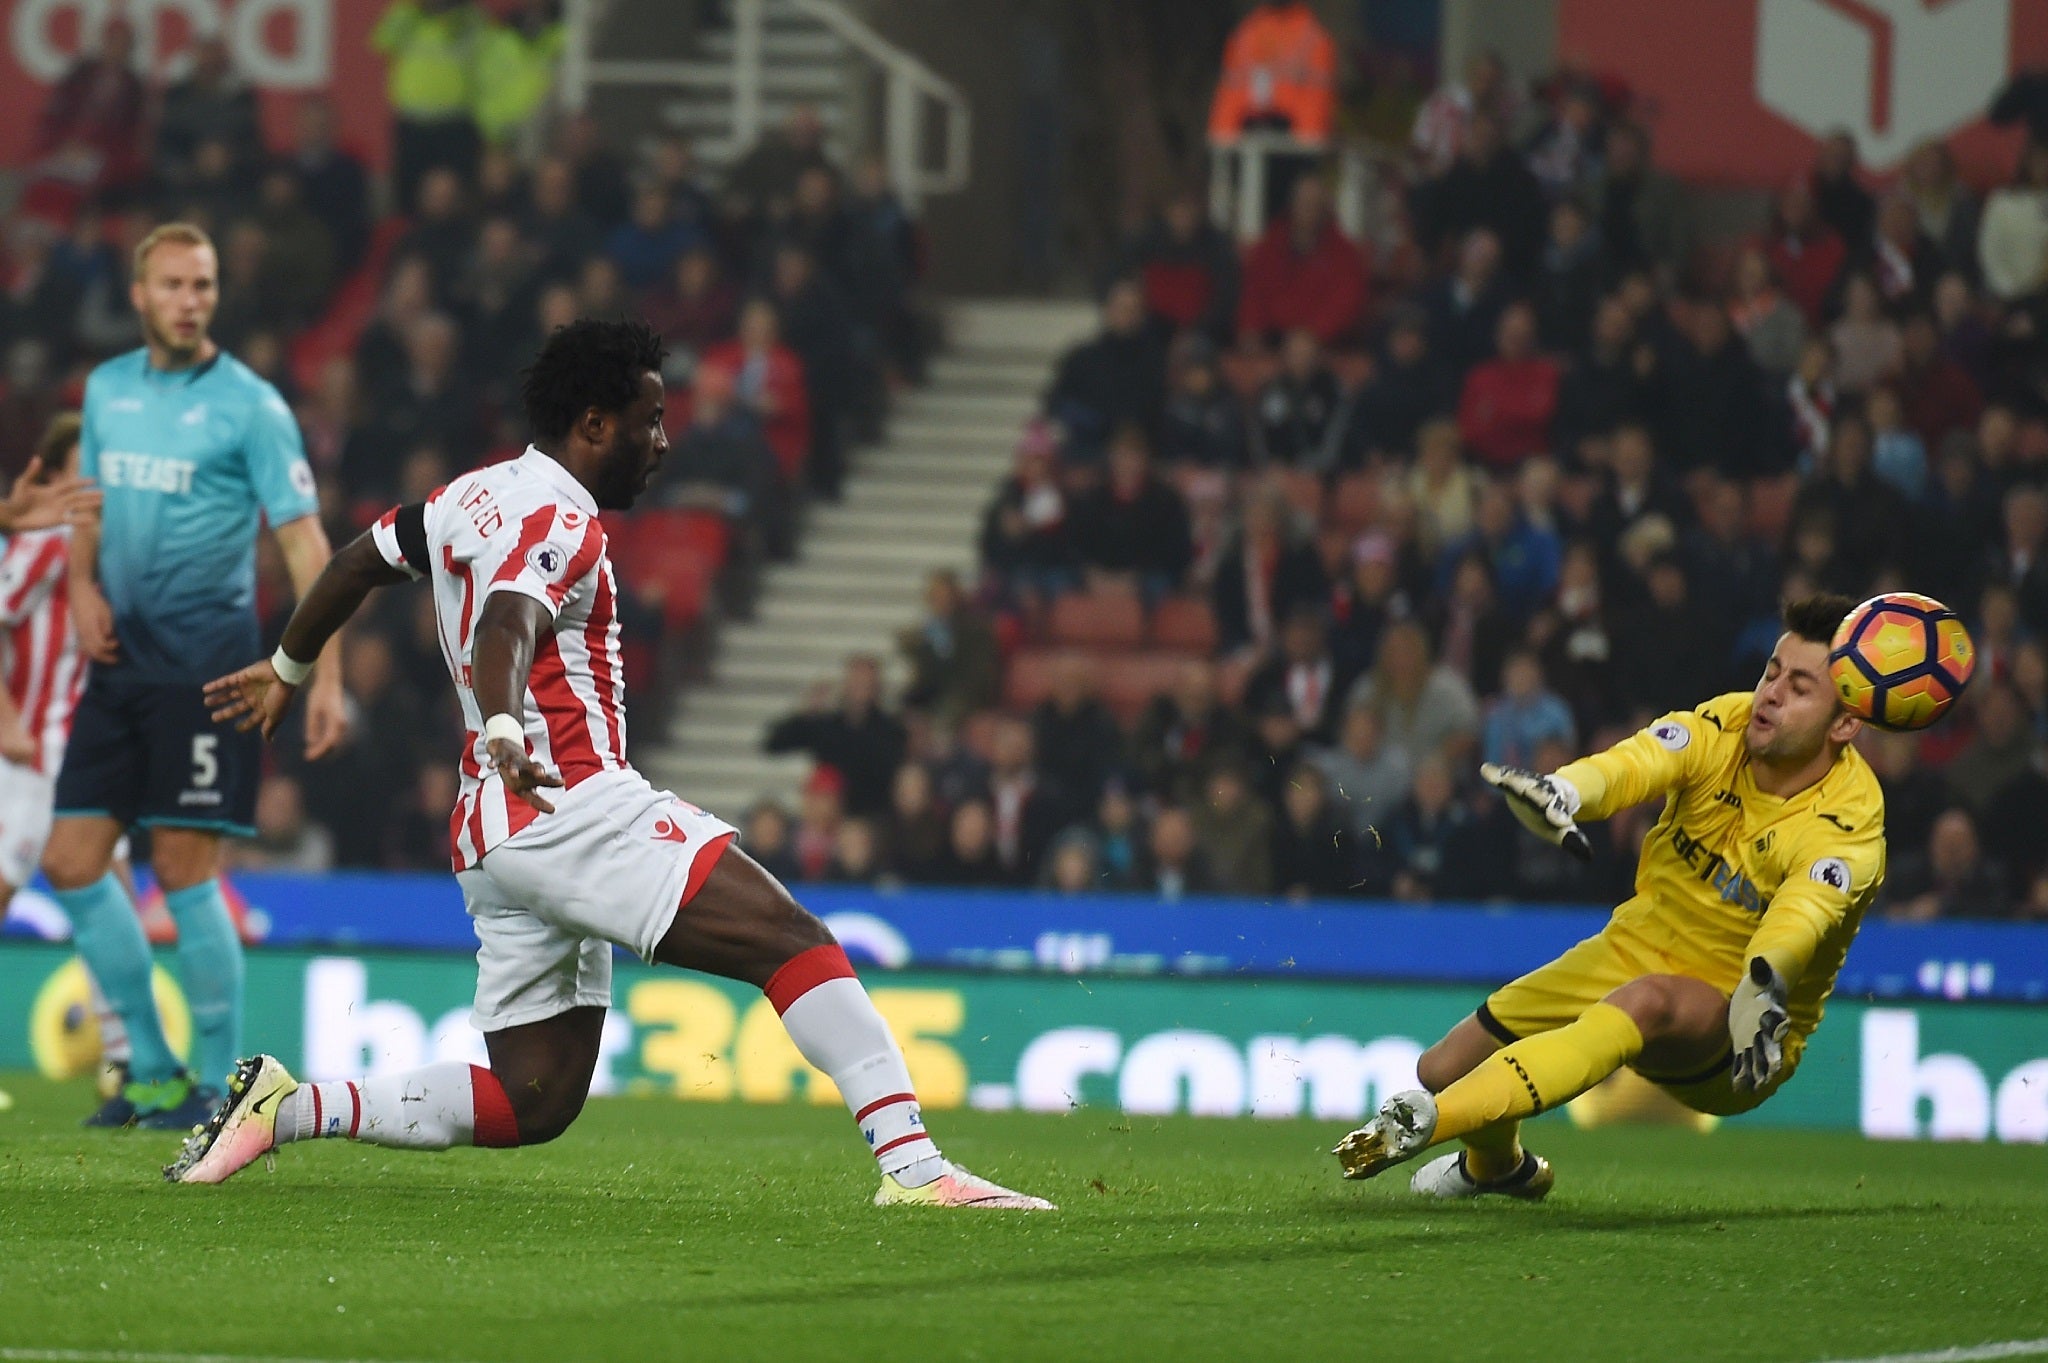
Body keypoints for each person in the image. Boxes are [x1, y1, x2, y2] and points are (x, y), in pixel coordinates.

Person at [170, 319, 1052, 1211]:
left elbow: (359, 560)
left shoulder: (464, 498)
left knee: (533, 1096)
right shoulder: (563, 520)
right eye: (651, 421)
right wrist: (511, 724)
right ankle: (916, 1169)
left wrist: (288, 666)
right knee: (797, 942)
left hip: (494, 824)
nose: (664, 443)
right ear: (595, 424)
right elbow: (508, 621)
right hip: (568, 803)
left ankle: (285, 1106)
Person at [1331, 596, 1885, 1201]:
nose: (1770, 694)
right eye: (1771, 672)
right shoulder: (1723, 725)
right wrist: (1565, 790)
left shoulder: (1849, 823)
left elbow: (1802, 914)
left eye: (1799, 687)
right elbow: (1639, 761)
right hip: (1630, 950)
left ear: (1845, 723)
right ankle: (1499, 1169)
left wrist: (1766, 981)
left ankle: (1428, 1123)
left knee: (1646, 1001)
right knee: (1441, 1068)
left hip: (1738, 1021)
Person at [44, 224, 348, 1131]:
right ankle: (148, 1064)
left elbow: (304, 542)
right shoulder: (107, 390)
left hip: (209, 672)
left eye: (203, 285)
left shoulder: (251, 407)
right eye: (173, 284)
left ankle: (221, 1081)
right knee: (70, 860)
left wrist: (321, 676)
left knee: (182, 867)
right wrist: (80, 586)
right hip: (118, 665)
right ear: (140, 294)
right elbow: (86, 502)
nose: (190, 300)